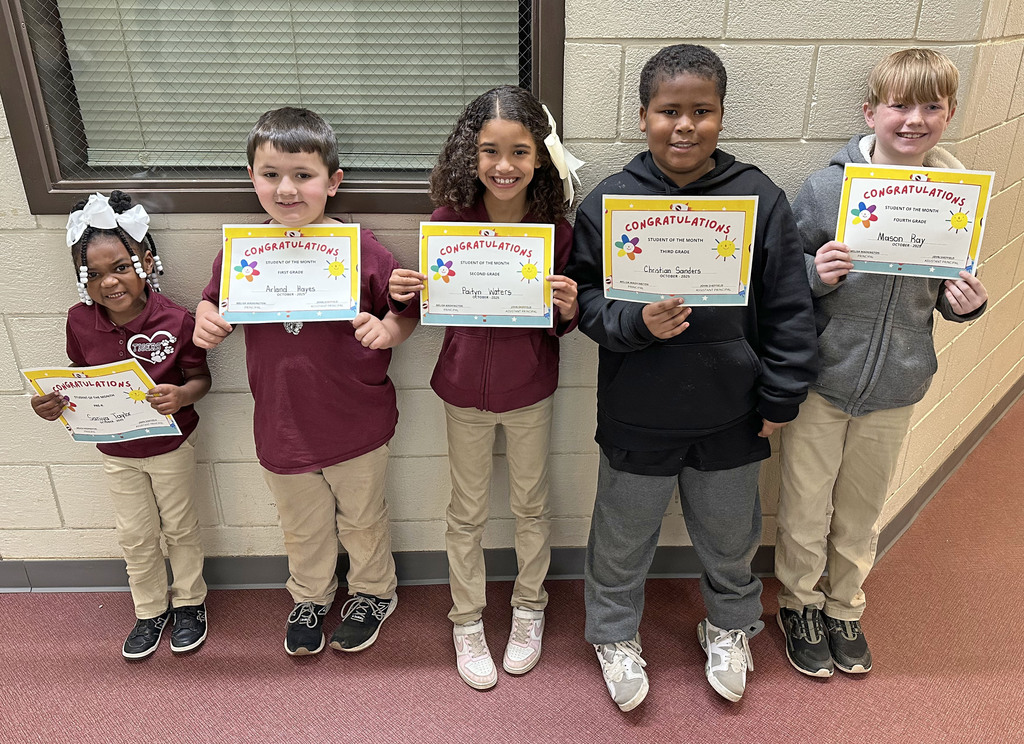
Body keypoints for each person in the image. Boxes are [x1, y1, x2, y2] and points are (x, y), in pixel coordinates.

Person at [565, 44, 819, 709]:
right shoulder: (611, 202)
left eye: (701, 111)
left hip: (732, 413)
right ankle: (614, 634)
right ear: (643, 114)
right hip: (637, 412)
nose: (685, 126)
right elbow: (586, 304)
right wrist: (635, 325)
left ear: (721, 115)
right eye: (668, 111)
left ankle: (732, 626)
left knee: (733, 540)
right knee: (620, 541)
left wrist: (782, 395)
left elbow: (791, 307)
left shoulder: (759, 198)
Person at [774, 48, 988, 678]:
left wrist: (967, 305)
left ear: (949, 114)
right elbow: (781, 278)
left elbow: (950, 292)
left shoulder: (959, 197)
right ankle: (799, 602)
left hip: (898, 382)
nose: (914, 119)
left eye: (932, 106)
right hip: (824, 379)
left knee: (863, 508)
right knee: (807, 503)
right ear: (871, 111)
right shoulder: (829, 186)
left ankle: (845, 604)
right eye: (900, 105)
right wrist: (815, 277)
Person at [193, 107, 417, 657]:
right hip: (282, 422)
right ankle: (311, 594)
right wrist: (204, 318)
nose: (286, 189)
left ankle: (372, 592)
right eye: (270, 175)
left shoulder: (363, 248)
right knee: (302, 525)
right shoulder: (244, 252)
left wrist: (389, 329)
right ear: (252, 178)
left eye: (302, 175)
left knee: (364, 520)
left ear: (333, 183)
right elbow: (211, 300)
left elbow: (406, 310)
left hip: (355, 419)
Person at [389, 85, 581, 690]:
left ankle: (530, 608)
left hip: (530, 390)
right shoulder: (447, 224)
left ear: (540, 158)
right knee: (465, 512)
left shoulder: (557, 229)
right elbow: (430, 304)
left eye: (519, 152)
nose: (504, 166)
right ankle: (465, 618)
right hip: (462, 389)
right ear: (467, 156)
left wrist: (569, 306)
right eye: (489, 151)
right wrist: (407, 293)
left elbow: (561, 320)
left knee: (531, 506)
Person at [32, 191, 212, 659]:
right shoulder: (79, 321)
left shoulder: (176, 318)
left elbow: (200, 378)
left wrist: (181, 395)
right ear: (81, 280)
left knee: (180, 528)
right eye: (93, 275)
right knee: (134, 534)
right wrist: (56, 403)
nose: (109, 282)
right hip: (116, 452)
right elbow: (77, 377)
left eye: (120, 267)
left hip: (171, 445)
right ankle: (150, 608)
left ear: (146, 262)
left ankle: (190, 602)